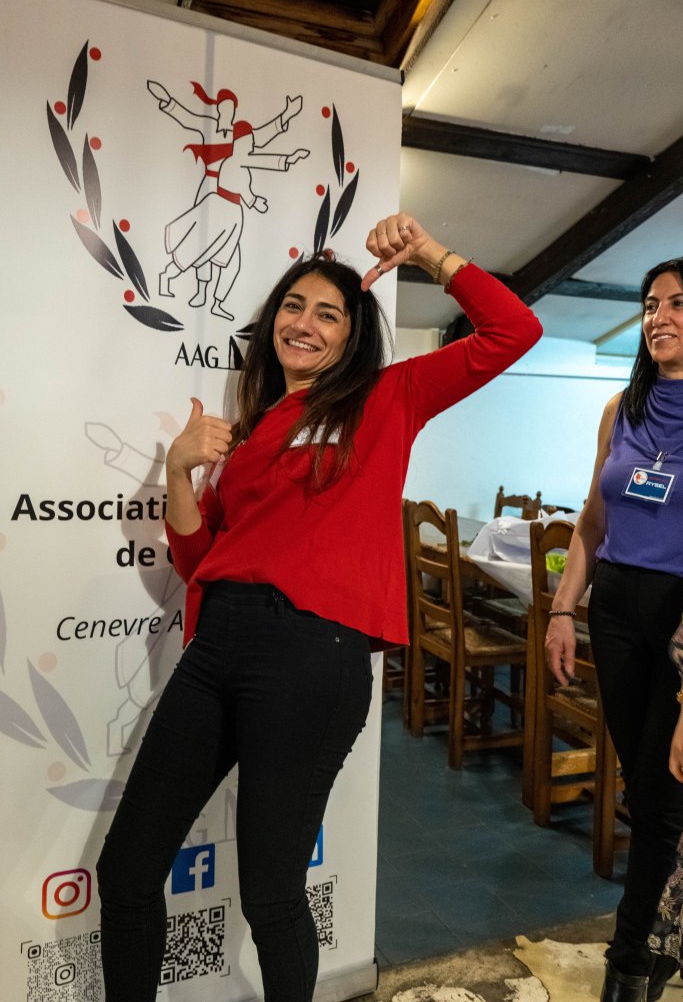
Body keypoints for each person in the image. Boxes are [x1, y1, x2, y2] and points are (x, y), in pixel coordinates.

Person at [96, 212, 542, 1002]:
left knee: (270, 895)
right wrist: (178, 473)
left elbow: (513, 330)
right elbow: (200, 561)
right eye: (292, 307)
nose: (303, 323)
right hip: (216, 647)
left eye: (327, 313)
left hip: (309, 654)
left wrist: (427, 252)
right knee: (126, 870)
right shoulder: (253, 430)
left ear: (350, 336)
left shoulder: (385, 397)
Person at [545, 257, 683, 1002]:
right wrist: (563, 609)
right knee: (646, 786)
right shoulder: (620, 409)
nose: (660, 316)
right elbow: (590, 523)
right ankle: (652, 944)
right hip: (616, 611)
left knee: (664, 795)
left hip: (680, 620)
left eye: (678, 303)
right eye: (651, 304)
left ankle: (630, 962)